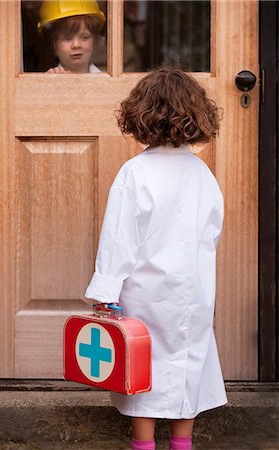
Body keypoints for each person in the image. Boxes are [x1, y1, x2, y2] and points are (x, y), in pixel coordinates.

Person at [85, 67, 228, 450]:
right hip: (194, 290)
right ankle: (182, 443)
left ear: (140, 116)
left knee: (141, 363)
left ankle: (144, 444)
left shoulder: (135, 173)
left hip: (146, 290)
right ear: (197, 116)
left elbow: (118, 238)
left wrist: (107, 289)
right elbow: (212, 230)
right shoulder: (203, 174)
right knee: (188, 357)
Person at [38, 0, 105, 73]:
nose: (76, 45)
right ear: (53, 45)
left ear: (94, 41)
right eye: (67, 38)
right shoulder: (47, 82)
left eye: (85, 37)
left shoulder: (108, 81)